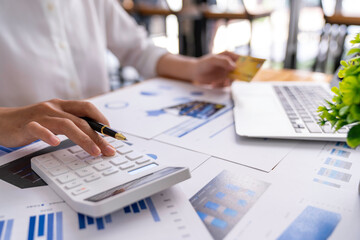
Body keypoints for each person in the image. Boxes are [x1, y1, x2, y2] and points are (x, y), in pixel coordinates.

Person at [0, 0, 239, 157]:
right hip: (21, 150)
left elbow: (138, 49)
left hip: (98, 136)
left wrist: (194, 68)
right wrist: (11, 119)